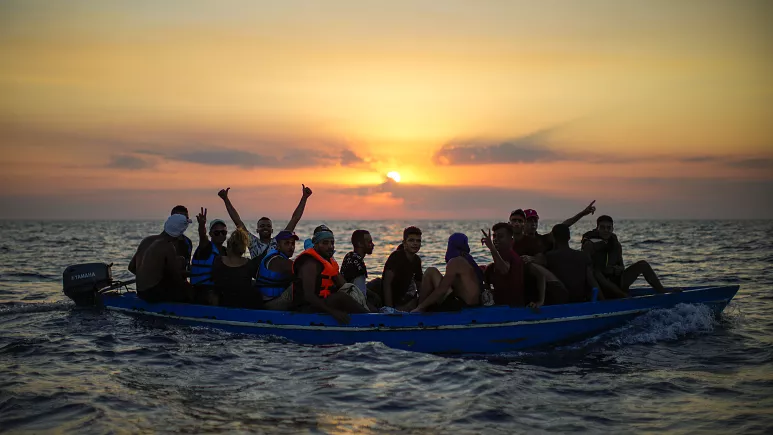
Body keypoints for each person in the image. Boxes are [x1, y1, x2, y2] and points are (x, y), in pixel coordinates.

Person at [582, 215, 672, 298]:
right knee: (596, 273)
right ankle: (623, 296)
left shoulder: (616, 245)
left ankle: (663, 293)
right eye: (602, 227)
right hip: (599, 286)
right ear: (597, 228)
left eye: (609, 228)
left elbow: (622, 266)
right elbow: (588, 272)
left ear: (612, 229)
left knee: (643, 264)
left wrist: (617, 269)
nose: (606, 230)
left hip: (617, 281)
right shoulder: (589, 245)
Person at [218, 185, 312, 261]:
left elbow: (294, 219)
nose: (265, 228)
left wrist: (304, 198)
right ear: (257, 230)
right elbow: (237, 221)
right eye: (262, 226)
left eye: (268, 226)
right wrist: (226, 200)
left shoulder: (278, 242)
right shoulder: (253, 242)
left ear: (272, 230)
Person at [292, 229, 368, 324]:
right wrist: (333, 312)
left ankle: (373, 313)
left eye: (332, 243)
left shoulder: (326, 261)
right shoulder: (310, 264)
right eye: (325, 243)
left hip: (322, 302)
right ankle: (371, 318)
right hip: (306, 308)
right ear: (315, 245)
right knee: (341, 297)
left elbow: (342, 284)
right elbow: (309, 296)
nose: (330, 246)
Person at [412, 233, 483, 313]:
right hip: (473, 304)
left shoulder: (455, 261)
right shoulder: (468, 260)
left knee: (431, 271)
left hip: (462, 306)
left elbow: (442, 289)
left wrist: (421, 306)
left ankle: (419, 309)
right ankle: (420, 306)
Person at [132, 214, 194, 303]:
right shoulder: (168, 246)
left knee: (180, 259)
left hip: (140, 292)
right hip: (151, 295)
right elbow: (175, 277)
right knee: (189, 290)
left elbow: (131, 267)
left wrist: (148, 277)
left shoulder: (146, 240)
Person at [546, 224, 602, 303]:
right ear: (569, 237)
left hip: (558, 302)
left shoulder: (549, 257)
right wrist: (602, 299)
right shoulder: (583, 256)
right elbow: (592, 281)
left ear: (553, 238)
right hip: (579, 300)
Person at [213, 228, 262, 309]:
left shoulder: (218, 261)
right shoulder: (248, 264)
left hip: (223, 302)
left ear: (229, 247)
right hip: (244, 304)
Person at [521, 200, 597, 253]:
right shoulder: (516, 240)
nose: (533, 223)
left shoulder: (543, 239)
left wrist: (583, 213)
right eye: (529, 220)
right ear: (523, 223)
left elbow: (563, 226)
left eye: (535, 220)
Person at [481, 223, 526, 306]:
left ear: (511, 240)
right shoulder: (497, 261)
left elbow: (504, 269)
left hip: (512, 308)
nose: (495, 239)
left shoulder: (509, 254)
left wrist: (491, 248)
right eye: (494, 236)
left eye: (500, 236)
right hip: (501, 305)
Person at [189, 208, 227, 304]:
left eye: (223, 232)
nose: (220, 235)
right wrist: (202, 225)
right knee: (213, 296)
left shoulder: (226, 251)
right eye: (217, 233)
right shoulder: (206, 247)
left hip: (219, 288)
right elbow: (202, 236)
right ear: (211, 234)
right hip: (203, 290)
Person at [255, 230, 299, 310]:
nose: (291, 246)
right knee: (300, 284)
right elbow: (301, 269)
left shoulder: (277, 256)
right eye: (287, 243)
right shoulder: (277, 260)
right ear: (278, 245)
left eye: (293, 243)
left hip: (272, 299)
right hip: (270, 304)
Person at [382, 226, 424, 310]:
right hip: (395, 301)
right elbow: (387, 283)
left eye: (418, 241)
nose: (415, 243)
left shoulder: (416, 260)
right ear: (404, 243)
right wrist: (389, 309)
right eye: (411, 240)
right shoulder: (396, 257)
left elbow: (419, 283)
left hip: (407, 299)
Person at [341, 230, 374, 295]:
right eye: (369, 242)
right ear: (360, 244)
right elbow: (360, 294)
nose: (372, 244)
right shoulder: (358, 263)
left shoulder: (349, 256)